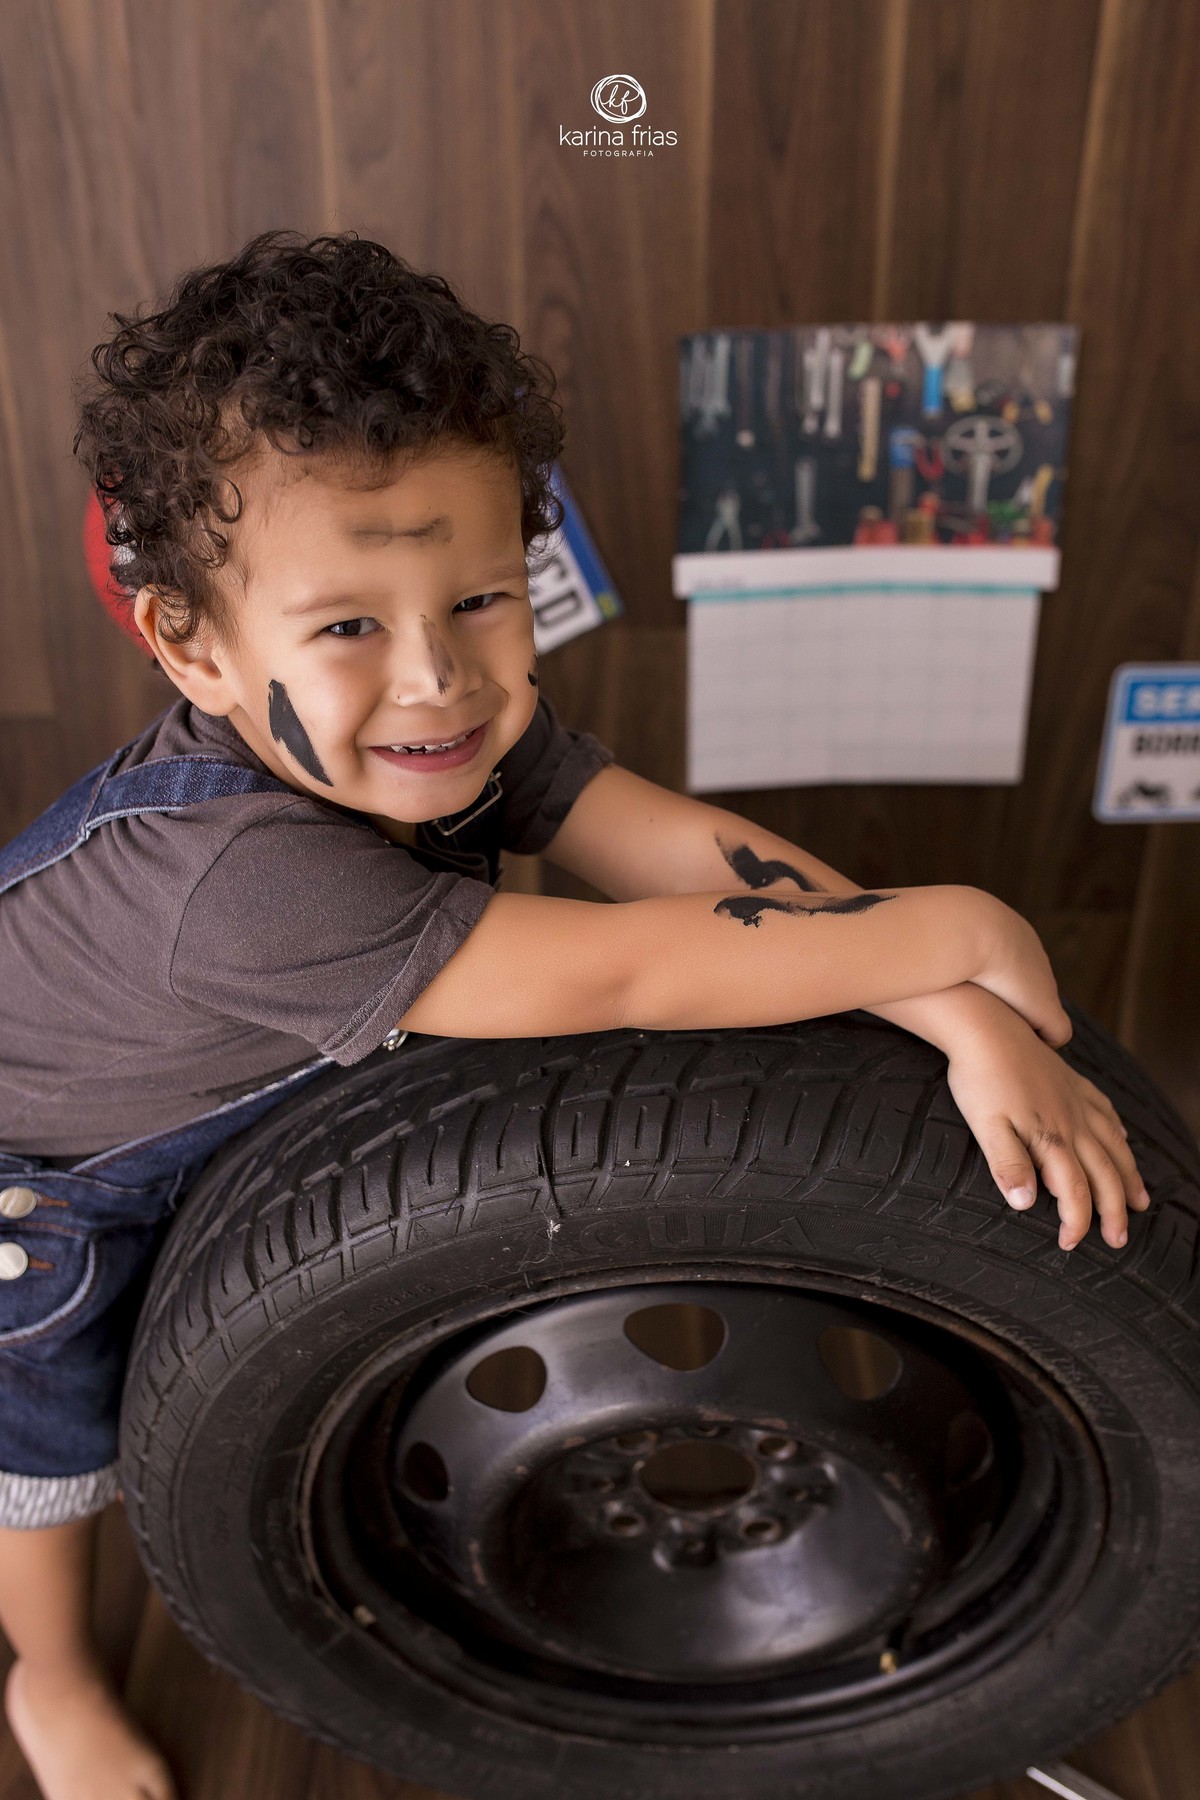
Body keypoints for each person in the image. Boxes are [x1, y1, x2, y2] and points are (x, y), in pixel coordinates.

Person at [0, 231, 1147, 1800]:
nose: (437, 679)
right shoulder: (245, 881)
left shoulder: (458, 727)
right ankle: (49, 1679)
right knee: (46, 1459)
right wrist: (952, 925)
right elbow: (630, 968)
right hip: (48, 1187)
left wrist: (937, 994)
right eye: (347, 626)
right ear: (193, 647)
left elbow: (682, 858)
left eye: (479, 596)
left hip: (236, 1069)